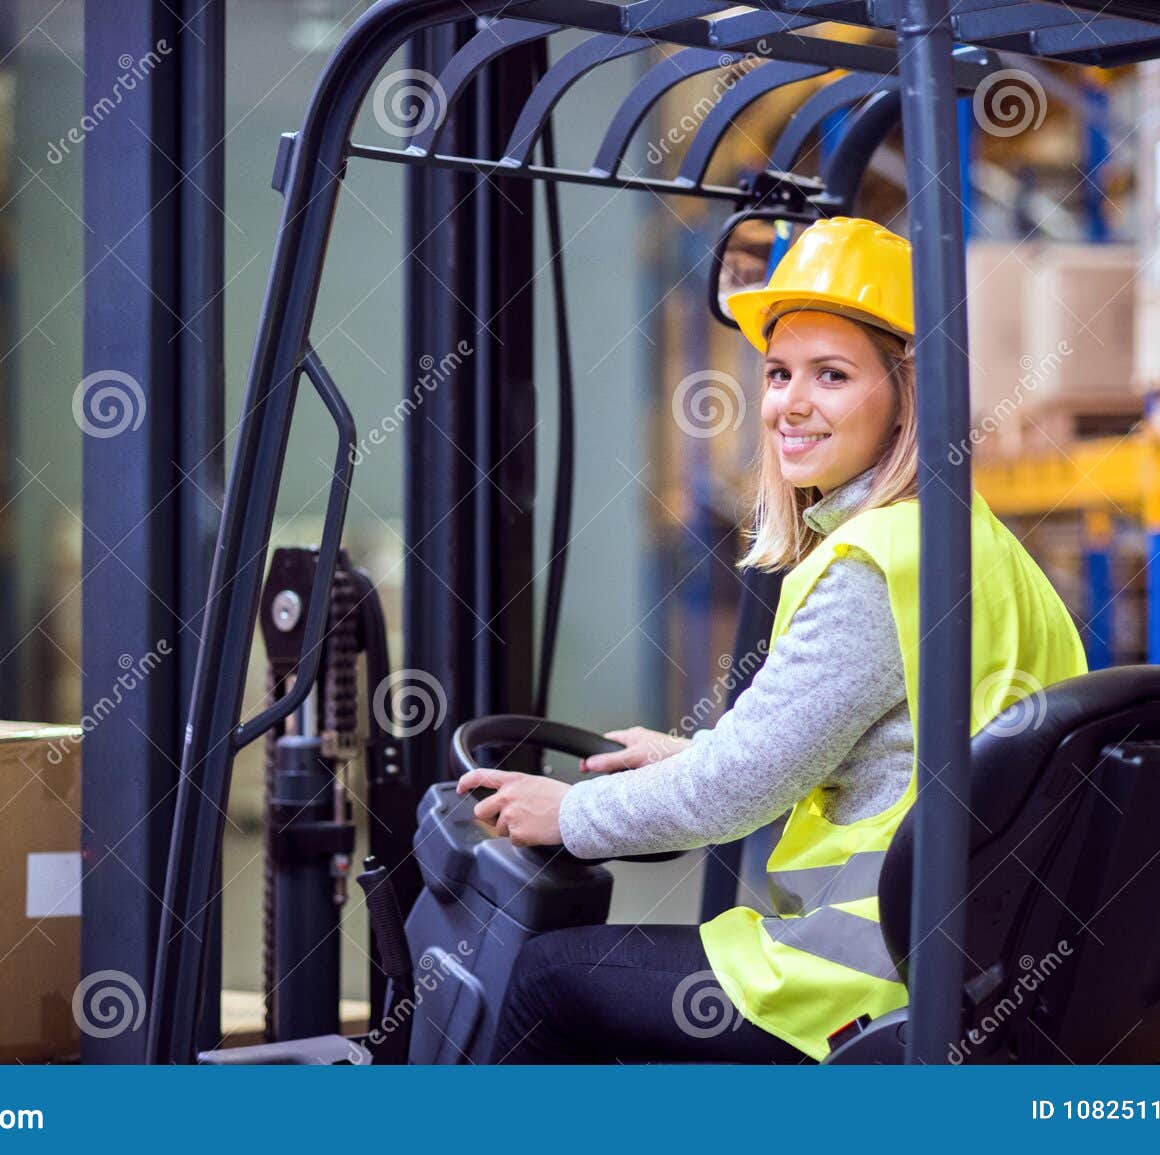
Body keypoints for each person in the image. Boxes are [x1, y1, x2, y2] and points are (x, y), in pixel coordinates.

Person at [455, 217, 1088, 1063]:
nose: (791, 402)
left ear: (910, 390)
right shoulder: (972, 542)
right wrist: (694, 754)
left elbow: (739, 793)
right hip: (971, 967)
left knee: (544, 976)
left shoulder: (877, 563)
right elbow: (852, 748)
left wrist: (569, 811)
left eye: (832, 375)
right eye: (780, 372)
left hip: (870, 980)